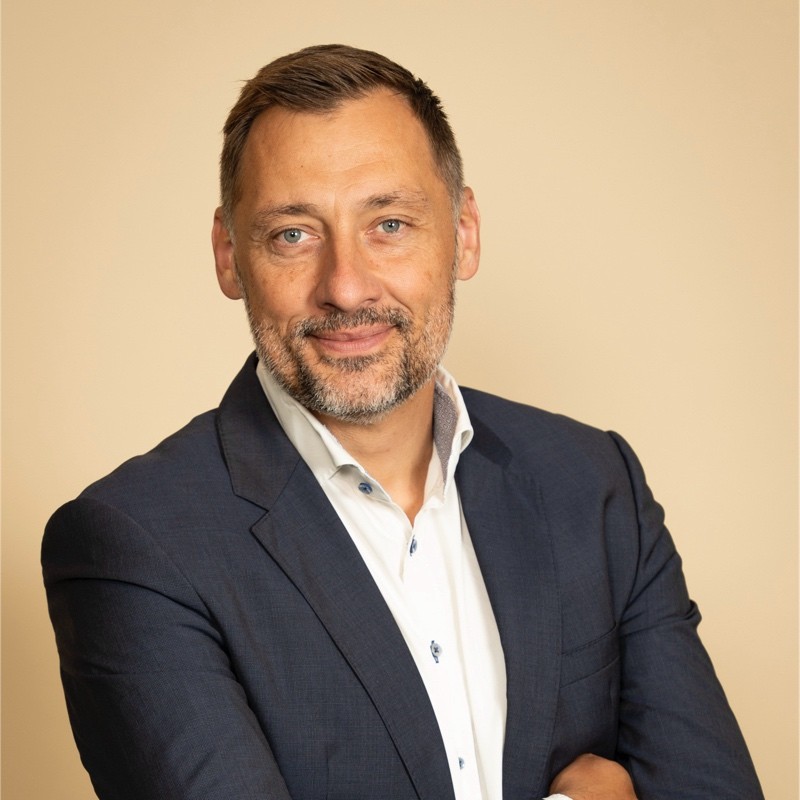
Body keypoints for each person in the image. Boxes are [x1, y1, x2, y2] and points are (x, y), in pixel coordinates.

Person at [43, 44, 763, 800]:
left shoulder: (594, 483)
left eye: (388, 223)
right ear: (229, 255)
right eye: (293, 234)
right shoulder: (135, 545)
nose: (346, 287)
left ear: (465, 232)